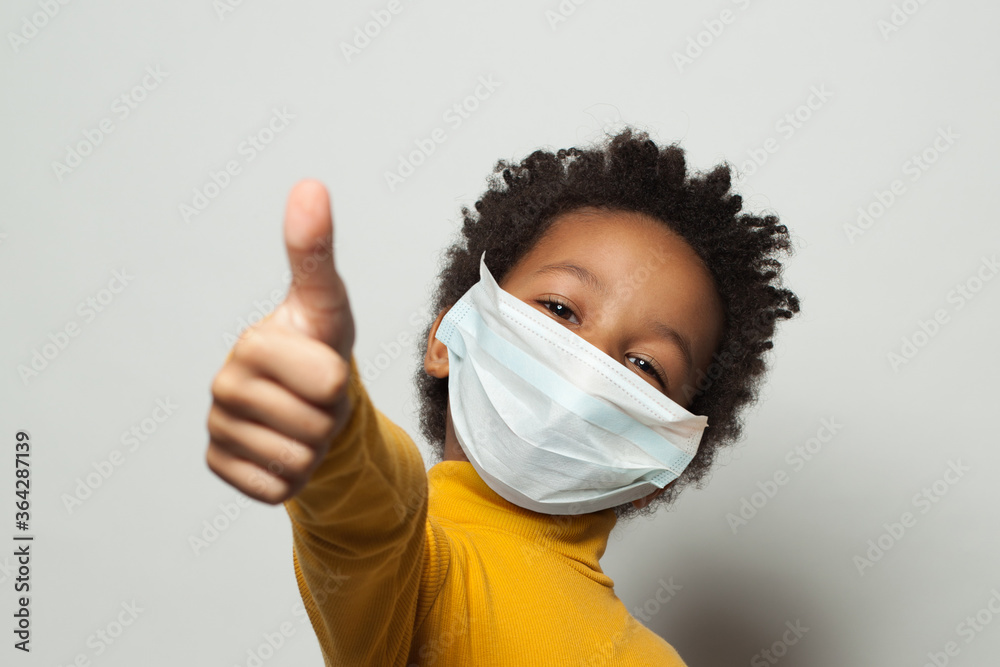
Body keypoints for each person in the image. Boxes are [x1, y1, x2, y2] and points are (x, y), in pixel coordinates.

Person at [204, 127, 800, 665]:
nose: (588, 368)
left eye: (645, 365)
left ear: (667, 461)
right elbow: (369, 526)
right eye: (560, 309)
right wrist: (336, 435)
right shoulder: (424, 569)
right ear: (448, 336)